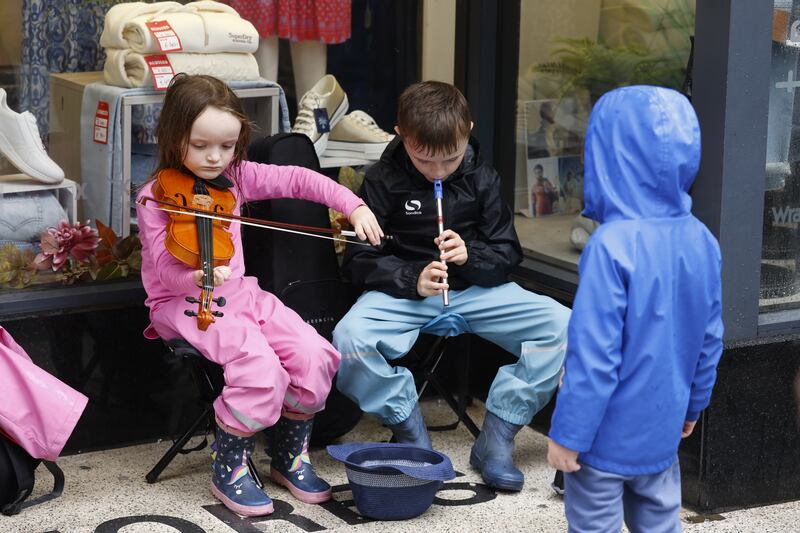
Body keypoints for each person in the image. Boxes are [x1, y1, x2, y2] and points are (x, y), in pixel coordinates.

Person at [135, 74, 382, 517]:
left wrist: (353, 204)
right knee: (261, 369)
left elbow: (302, 180)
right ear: (174, 137)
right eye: (200, 145)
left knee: (315, 355)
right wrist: (198, 278)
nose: (215, 158)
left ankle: (287, 457)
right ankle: (229, 466)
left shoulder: (236, 179)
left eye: (226, 146)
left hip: (241, 293)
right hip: (186, 302)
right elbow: (167, 273)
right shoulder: (156, 198)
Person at [332, 81, 570, 492]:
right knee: (349, 339)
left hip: (476, 292)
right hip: (406, 295)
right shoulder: (382, 180)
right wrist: (411, 278)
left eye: (451, 159)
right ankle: (410, 432)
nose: (439, 171)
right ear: (400, 135)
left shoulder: (482, 176)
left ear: (468, 131)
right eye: (425, 160)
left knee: (563, 325)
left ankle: (498, 435)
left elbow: (507, 253)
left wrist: (471, 255)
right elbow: (357, 262)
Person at [547, 86, 723, 532]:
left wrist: (568, 435)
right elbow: (709, 340)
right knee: (661, 523)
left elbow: (593, 356)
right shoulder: (702, 239)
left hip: (603, 438)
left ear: (604, 157)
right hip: (663, 429)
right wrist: (693, 407)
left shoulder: (610, 245)